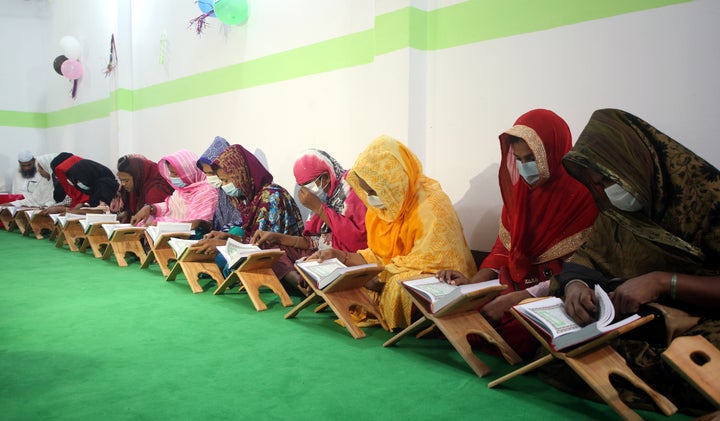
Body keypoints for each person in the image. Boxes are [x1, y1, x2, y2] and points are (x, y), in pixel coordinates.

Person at [547, 109, 720, 415]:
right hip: (635, 317)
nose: (607, 191)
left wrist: (662, 282)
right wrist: (575, 286)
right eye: (597, 183)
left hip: (700, 317)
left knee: (698, 357)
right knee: (560, 346)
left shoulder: (708, 198)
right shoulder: (616, 209)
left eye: (610, 179)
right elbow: (589, 256)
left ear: (636, 163)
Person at [435, 109, 598, 356]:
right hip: (510, 286)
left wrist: (519, 298)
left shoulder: (583, 197)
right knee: (463, 315)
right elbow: (502, 252)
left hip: (555, 291)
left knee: (519, 328)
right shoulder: (519, 194)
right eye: (519, 160)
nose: (525, 168)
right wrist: (470, 287)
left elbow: (578, 270)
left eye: (531, 158)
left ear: (552, 152)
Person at [310, 135, 477, 330]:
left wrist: (381, 275)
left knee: (398, 286)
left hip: (441, 276)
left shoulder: (432, 205)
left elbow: (434, 260)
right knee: (350, 280)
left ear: (392, 183)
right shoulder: (381, 209)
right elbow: (378, 254)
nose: (370, 198)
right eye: (366, 192)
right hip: (392, 271)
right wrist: (340, 257)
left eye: (374, 191)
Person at [250, 149, 368, 295]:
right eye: (301, 186)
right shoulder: (326, 196)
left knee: (316, 262)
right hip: (320, 253)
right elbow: (314, 242)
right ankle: (300, 282)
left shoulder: (351, 191)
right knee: (269, 246)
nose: (305, 191)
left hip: (344, 257)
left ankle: (310, 283)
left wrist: (319, 208)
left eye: (307, 184)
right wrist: (277, 237)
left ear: (325, 177)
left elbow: (357, 243)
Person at [195, 144, 304, 282]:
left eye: (227, 180)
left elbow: (263, 248)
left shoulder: (270, 198)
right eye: (222, 180)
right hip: (263, 253)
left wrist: (222, 244)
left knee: (224, 262)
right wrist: (226, 237)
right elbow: (251, 239)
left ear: (242, 174)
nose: (223, 185)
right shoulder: (250, 198)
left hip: (284, 262)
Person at [130, 150, 218, 233]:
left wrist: (159, 223)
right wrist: (151, 208)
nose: (171, 176)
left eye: (175, 173)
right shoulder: (182, 190)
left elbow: (192, 224)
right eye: (170, 172)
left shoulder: (206, 192)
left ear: (189, 172)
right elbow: (172, 207)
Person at [195, 136, 243, 234]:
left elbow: (240, 226)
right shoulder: (223, 191)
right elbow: (217, 224)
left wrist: (220, 235)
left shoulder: (239, 190)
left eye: (212, 173)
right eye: (206, 173)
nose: (210, 177)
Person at [44, 153, 119, 214]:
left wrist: (67, 211)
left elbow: (101, 211)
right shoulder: (92, 188)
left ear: (86, 175)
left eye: (79, 180)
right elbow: (86, 205)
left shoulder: (104, 185)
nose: (77, 183)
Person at [116, 154, 174, 223]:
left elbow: (149, 222)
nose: (123, 184)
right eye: (120, 180)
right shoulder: (138, 185)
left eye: (126, 180)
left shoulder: (156, 191)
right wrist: (128, 215)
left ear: (137, 177)